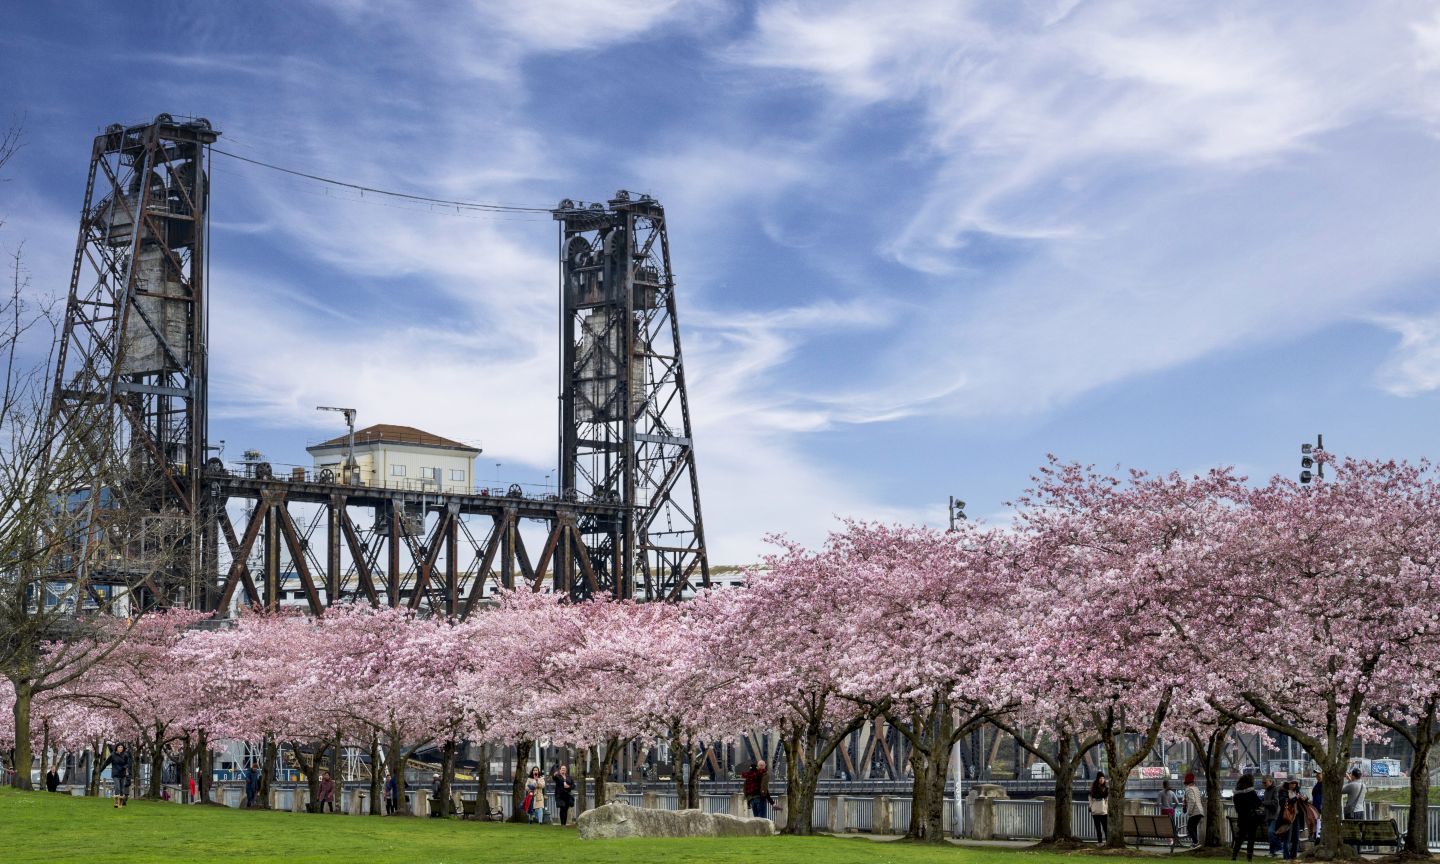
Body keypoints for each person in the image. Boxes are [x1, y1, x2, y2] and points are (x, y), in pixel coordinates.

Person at [1232, 774, 1263, 861]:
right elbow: (1258, 803)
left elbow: (1237, 808)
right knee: (1251, 838)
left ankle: (1234, 854)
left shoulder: (1236, 794)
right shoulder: (1251, 792)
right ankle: (1249, 856)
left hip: (1241, 818)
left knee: (1240, 837)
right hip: (1251, 818)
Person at [1276, 780, 1308, 860]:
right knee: (1287, 838)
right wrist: (1294, 799)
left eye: (1295, 783)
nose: (1293, 785)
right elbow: (1283, 802)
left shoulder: (1297, 791)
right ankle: (1286, 857)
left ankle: (1293, 856)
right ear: (1288, 783)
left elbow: (1303, 803)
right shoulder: (1283, 791)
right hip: (1287, 817)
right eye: (1292, 783)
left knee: (1296, 838)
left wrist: (1305, 799)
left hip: (1296, 817)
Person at [99, 743, 133, 809]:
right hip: (115, 774)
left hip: (122, 774)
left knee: (122, 790)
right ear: (116, 748)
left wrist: (124, 767)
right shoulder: (113, 755)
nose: (120, 748)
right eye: (119, 747)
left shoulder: (125, 755)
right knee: (117, 787)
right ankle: (116, 802)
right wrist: (101, 770)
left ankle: (121, 803)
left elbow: (128, 764)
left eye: (121, 747)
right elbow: (106, 763)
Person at [1183, 772, 1204, 848]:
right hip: (1200, 811)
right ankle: (1194, 843)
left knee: (1189, 827)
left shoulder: (1189, 789)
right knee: (1193, 827)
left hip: (1195, 811)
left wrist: (1189, 812)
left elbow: (1192, 801)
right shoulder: (1196, 788)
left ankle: (1196, 842)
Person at [1089, 772, 1110, 843]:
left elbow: (1107, 799)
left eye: (1103, 778)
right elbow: (1090, 798)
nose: (1102, 779)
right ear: (1098, 779)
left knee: (1105, 828)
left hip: (1103, 811)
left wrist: (1106, 807)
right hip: (1095, 811)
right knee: (1098, 828)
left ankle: (1108, 842)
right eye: (1100, 778)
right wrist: (1091, 807)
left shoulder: (1106, 789)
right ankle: (1100, 842)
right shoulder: (1093, 788)